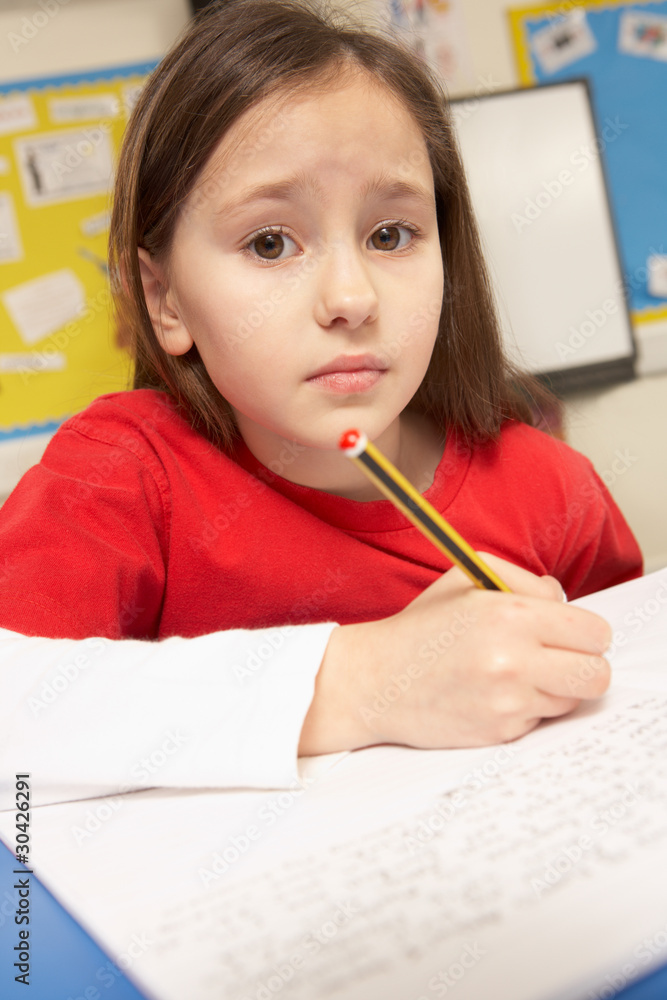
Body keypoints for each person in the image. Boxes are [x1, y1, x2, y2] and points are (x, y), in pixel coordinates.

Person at [0, 0, 642, 806]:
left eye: (390, 235)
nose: (350, 298)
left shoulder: (551, 489)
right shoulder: (120, 476)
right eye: (270, 243)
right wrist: (363, 681)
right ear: (164, 300)